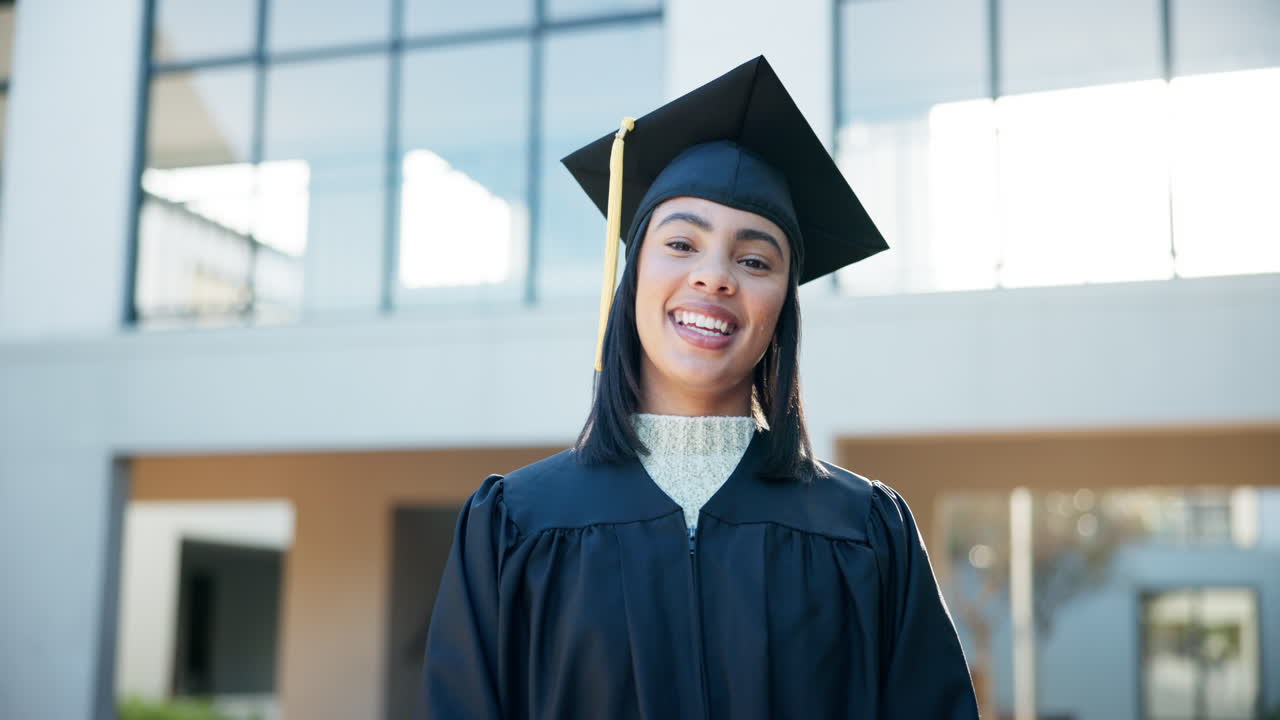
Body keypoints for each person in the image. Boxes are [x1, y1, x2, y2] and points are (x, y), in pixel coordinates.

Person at [421, 55, 980, 719]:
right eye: (682, 244)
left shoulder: (865, 530)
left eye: (754, 259)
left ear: (782, 308)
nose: (715, 277)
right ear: (631, 281)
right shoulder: (515, 523)